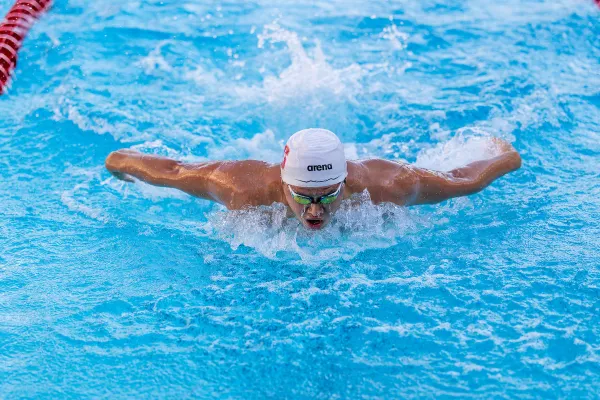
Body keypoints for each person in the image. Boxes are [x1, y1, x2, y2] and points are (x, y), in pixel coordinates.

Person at [105, 128, 522, 230]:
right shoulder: (241, 187)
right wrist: (120, 162)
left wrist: (503, 154)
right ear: (283, 184)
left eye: (328, 195)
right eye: (303, 197)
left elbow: (463, 179)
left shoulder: (386, 186)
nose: (316, 210)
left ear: (346, 182)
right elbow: (174, 172)